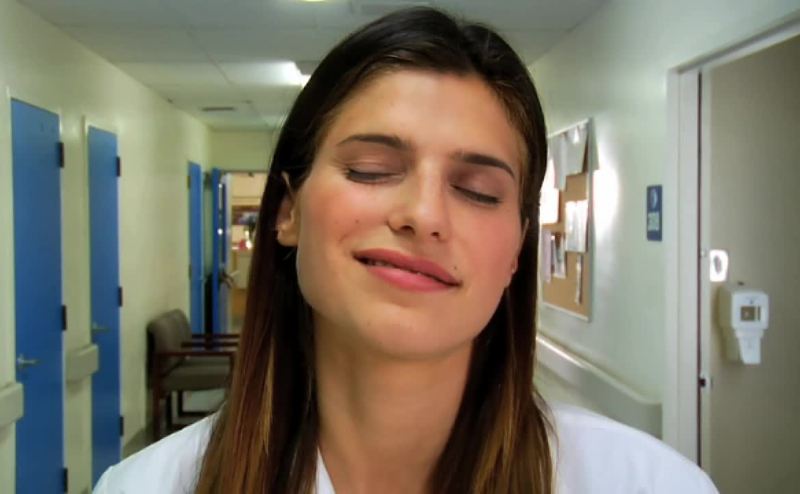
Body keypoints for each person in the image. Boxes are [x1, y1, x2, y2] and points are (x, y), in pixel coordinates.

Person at [96, 7, 718, 494]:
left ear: (515, 253)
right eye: (370, 169)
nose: (424, 215)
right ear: (287, 212)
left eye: (478, 191)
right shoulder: (146, 485)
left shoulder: (649, 484)